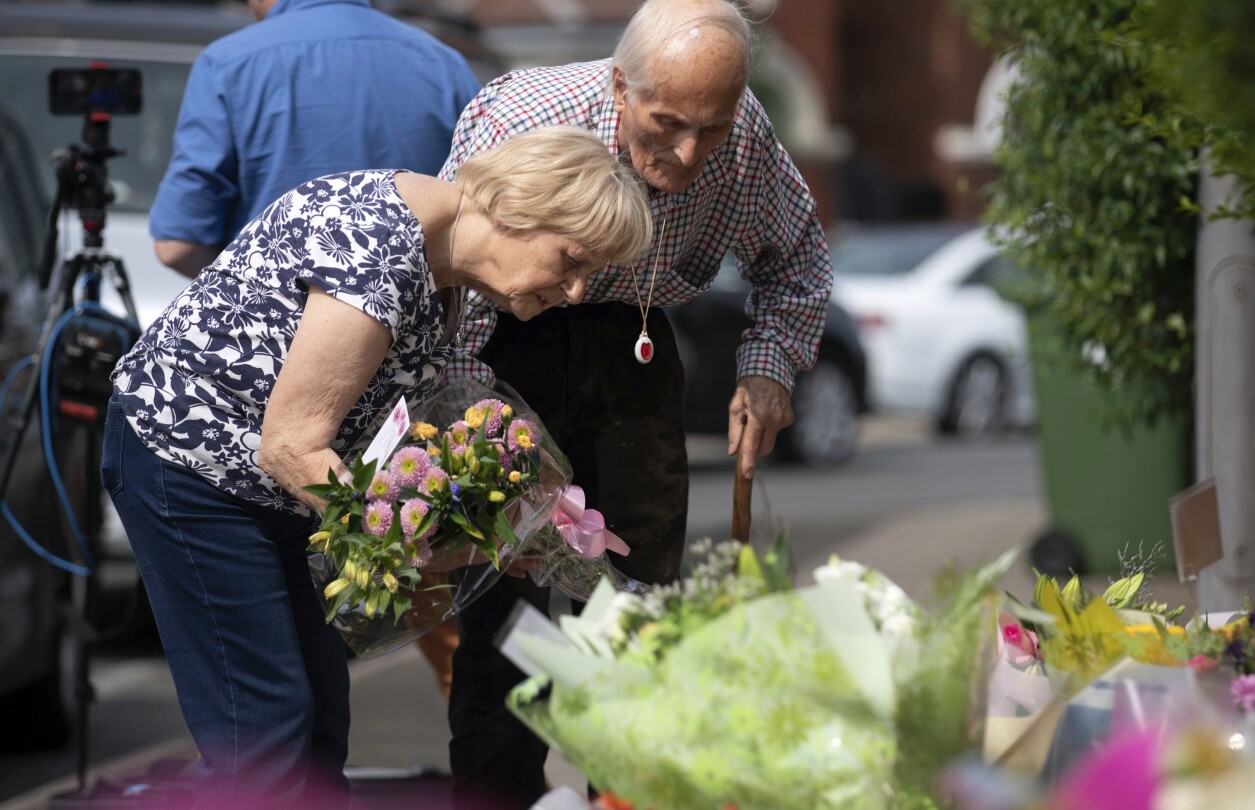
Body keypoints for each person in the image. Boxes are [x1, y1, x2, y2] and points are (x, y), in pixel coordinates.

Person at [101, 126, 652, 808]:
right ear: (516, 209)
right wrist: (425, 549)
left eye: (588, 275)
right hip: (189, 466)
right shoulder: (381, 248)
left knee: (321, 731)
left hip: (270, 491)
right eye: (570, 261)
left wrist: (516, 521)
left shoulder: (445, 269)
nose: (574, 291)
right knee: (265, 735)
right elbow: (291, 446)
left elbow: (422, 403)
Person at [438, 0, 833, 805]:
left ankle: (621, 795)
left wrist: (768, 368)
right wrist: (461, 424)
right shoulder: (527, 116)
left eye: (711, 129)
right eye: (666, 124)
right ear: (621, 87)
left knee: (633, 614)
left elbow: (797, 261)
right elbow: (452, 285)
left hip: (636, 349)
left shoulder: (744, 133)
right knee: (507, 623)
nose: (689, 153)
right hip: (506, 345)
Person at [149, 0, 480, 279]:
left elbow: (178, 245)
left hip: (268, 340)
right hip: (411, 336)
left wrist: (259, 294)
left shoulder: (229, 61)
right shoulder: (445, 64)